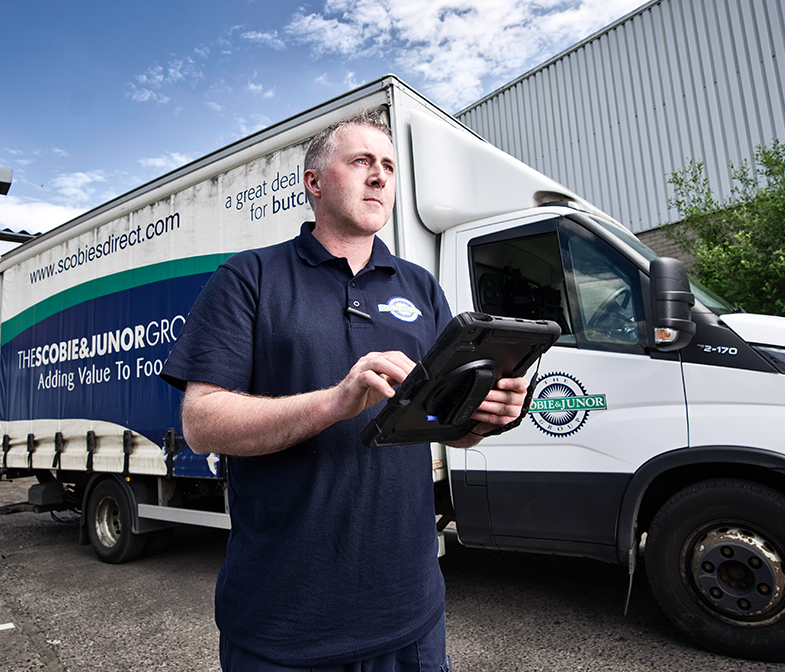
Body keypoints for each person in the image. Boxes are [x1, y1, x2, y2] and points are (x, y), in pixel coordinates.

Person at [161, 111, 528, 672]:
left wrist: (482, 417)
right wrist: (335, 402)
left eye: (388, 166)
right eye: (361, 161)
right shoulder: (250, 278)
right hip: (284, 625)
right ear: (313, 182)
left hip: (411, 618)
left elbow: (446, 430)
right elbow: (201, 423)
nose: (379, 176)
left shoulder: (420, 287)